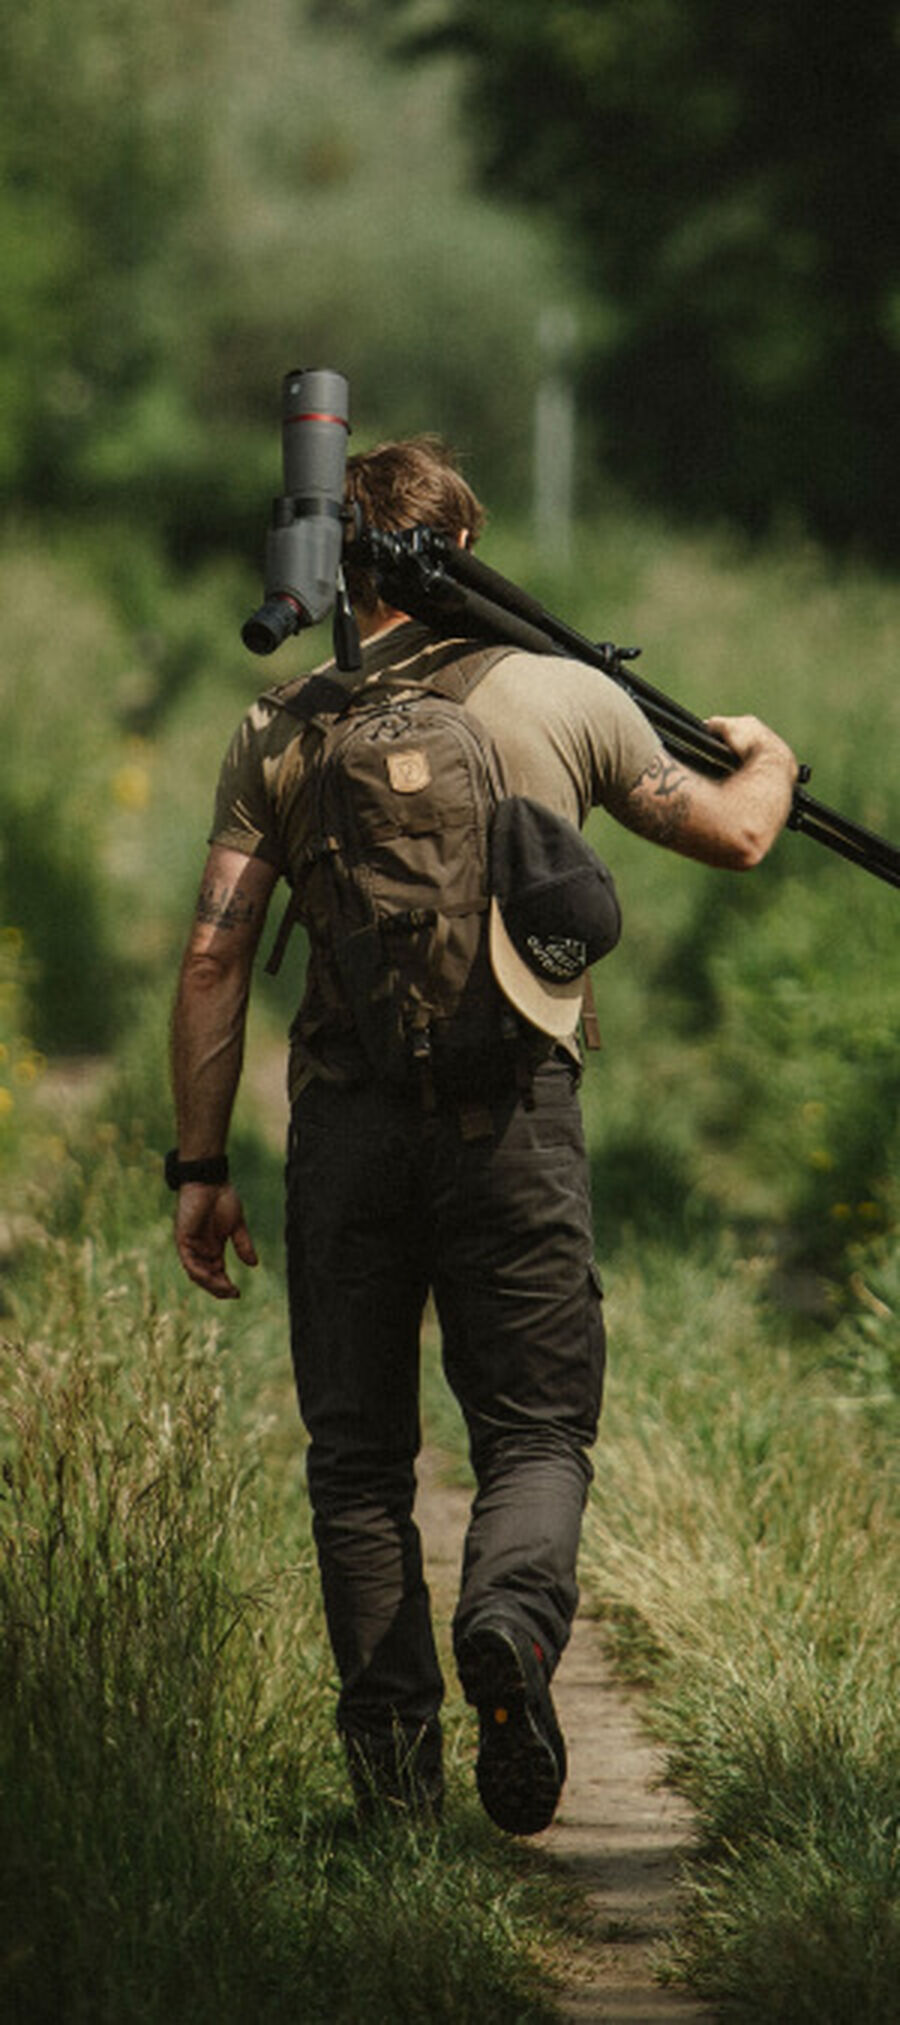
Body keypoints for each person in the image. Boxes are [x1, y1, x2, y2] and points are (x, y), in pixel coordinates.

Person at [169, 437, 798, 1833]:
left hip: (343, 1139)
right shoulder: (565, 698)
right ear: (458, 551)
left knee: (357, 1461)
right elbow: (741, 834)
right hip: (512, 1121)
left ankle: (394, 1792)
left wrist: (201, 1167)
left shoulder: (282, 727)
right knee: (532, 1428)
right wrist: (772, 756)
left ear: (339, 567)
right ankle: (509, 1623)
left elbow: (215, 963)